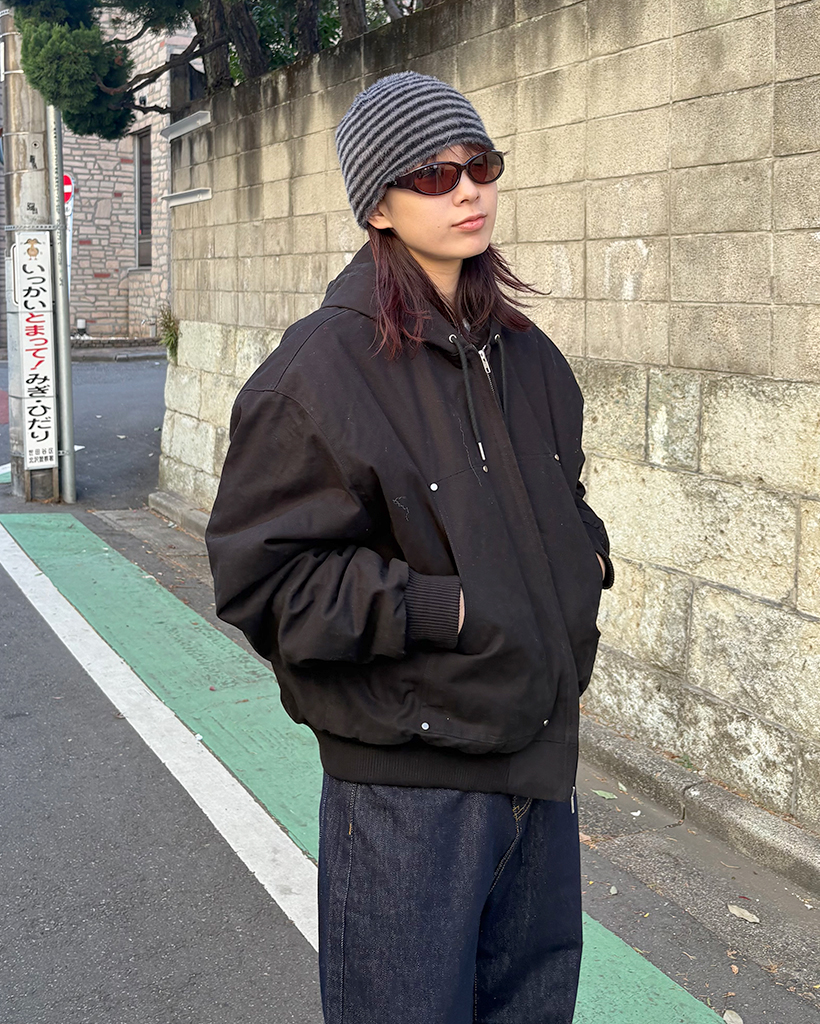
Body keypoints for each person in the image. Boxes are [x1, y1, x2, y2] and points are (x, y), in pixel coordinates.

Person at [206, 71, 613, 1024]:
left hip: (538, 772)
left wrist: (584, 561)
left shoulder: (527, 354)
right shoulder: (318, 371)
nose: (467, 190)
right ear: (378, 207)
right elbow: (267, 582)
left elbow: (566, 504)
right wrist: (446, 607)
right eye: (432, 175)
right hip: (407, 793)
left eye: (481, 165)